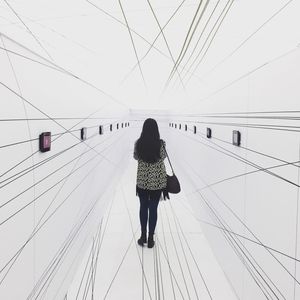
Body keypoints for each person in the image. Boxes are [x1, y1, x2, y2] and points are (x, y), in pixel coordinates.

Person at [133, 118, 169, 248]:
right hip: (157, 183)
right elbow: (163, 157)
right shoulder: (161, 144)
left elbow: (135, 156)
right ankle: (151, 239)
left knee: (143, 207)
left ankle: (143, 237)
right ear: (156, 129)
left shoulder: (138, 143)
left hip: (143, 181)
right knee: (153, 209)